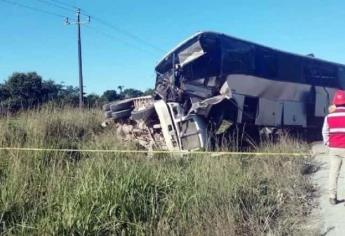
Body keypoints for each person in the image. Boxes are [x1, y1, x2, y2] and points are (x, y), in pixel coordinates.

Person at [322, 90, 345, 205]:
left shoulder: (329, 116)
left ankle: (332, 197)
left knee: (333, 172)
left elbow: (325, 131)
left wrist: (327, 143)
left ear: (335, 102)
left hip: (334, 148)